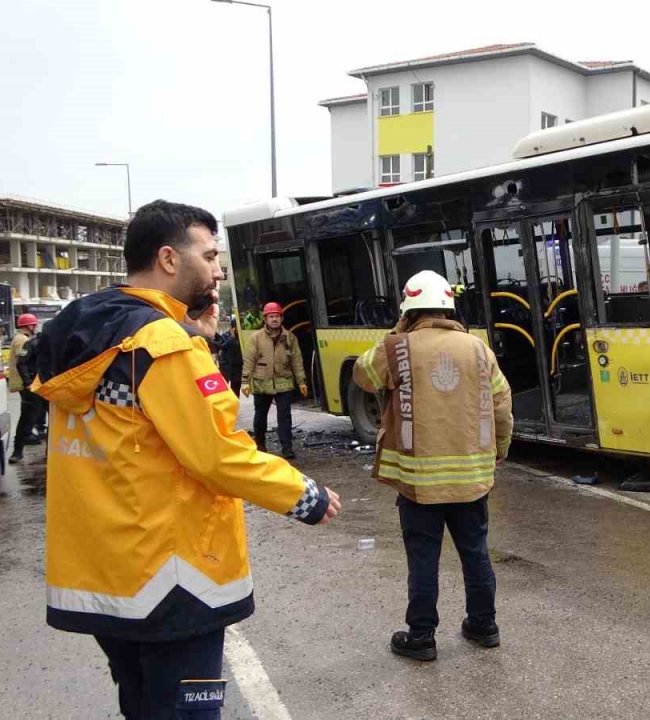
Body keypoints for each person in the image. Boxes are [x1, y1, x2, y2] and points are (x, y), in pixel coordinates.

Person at [32, 200, 341, 720]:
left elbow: (137, 432)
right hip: (171, 581)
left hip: (108, 574)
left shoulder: (89, 330)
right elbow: (215, 453)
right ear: (170, 259)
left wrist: (195, 336)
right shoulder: (161, 344)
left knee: (143, 707)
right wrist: (302, 495)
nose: (219, 269)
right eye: (211, 254)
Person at [353, 270, 513, 662]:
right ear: (449, 306)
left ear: (408, 310)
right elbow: (502, 407)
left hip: (419, 482)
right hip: (472, 480)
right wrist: (500, 450)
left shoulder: (398, 347)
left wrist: (396, 332)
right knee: (474, 551)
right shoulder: (479, 350)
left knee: (423, 557)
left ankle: (421, 637)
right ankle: (484, 626)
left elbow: (363, 374)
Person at [241, 302, 307, 458]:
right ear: (265, 319)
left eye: (277, 316)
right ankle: (261, 445)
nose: (274, 319)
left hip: (283, 382)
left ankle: (287, 448)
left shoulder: (290, 338)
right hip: (261, 382)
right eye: (271, 316)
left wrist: (301, 381)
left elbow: (296, 361)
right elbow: (249, 360)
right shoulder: (256, 338)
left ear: (281, 318)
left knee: (284, 416)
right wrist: (245, 381)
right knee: (260, 416)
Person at [7, 313, 44, 463]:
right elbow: (22, 363)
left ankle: (33, 434)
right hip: (29, 384)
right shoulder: (24, 340)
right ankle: (18, 449)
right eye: (33, 325)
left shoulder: (23, 339)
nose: (35, 327)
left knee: (33, 415)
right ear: (29, 326)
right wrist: (28, 382)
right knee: (28, 416)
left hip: (37, 384)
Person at [215, 323, 244, 397]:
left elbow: (222, 346)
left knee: (231, 388)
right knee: (235, 389)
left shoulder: (232, 340)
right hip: (236, 368)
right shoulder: (240, 339)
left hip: (231, 367)